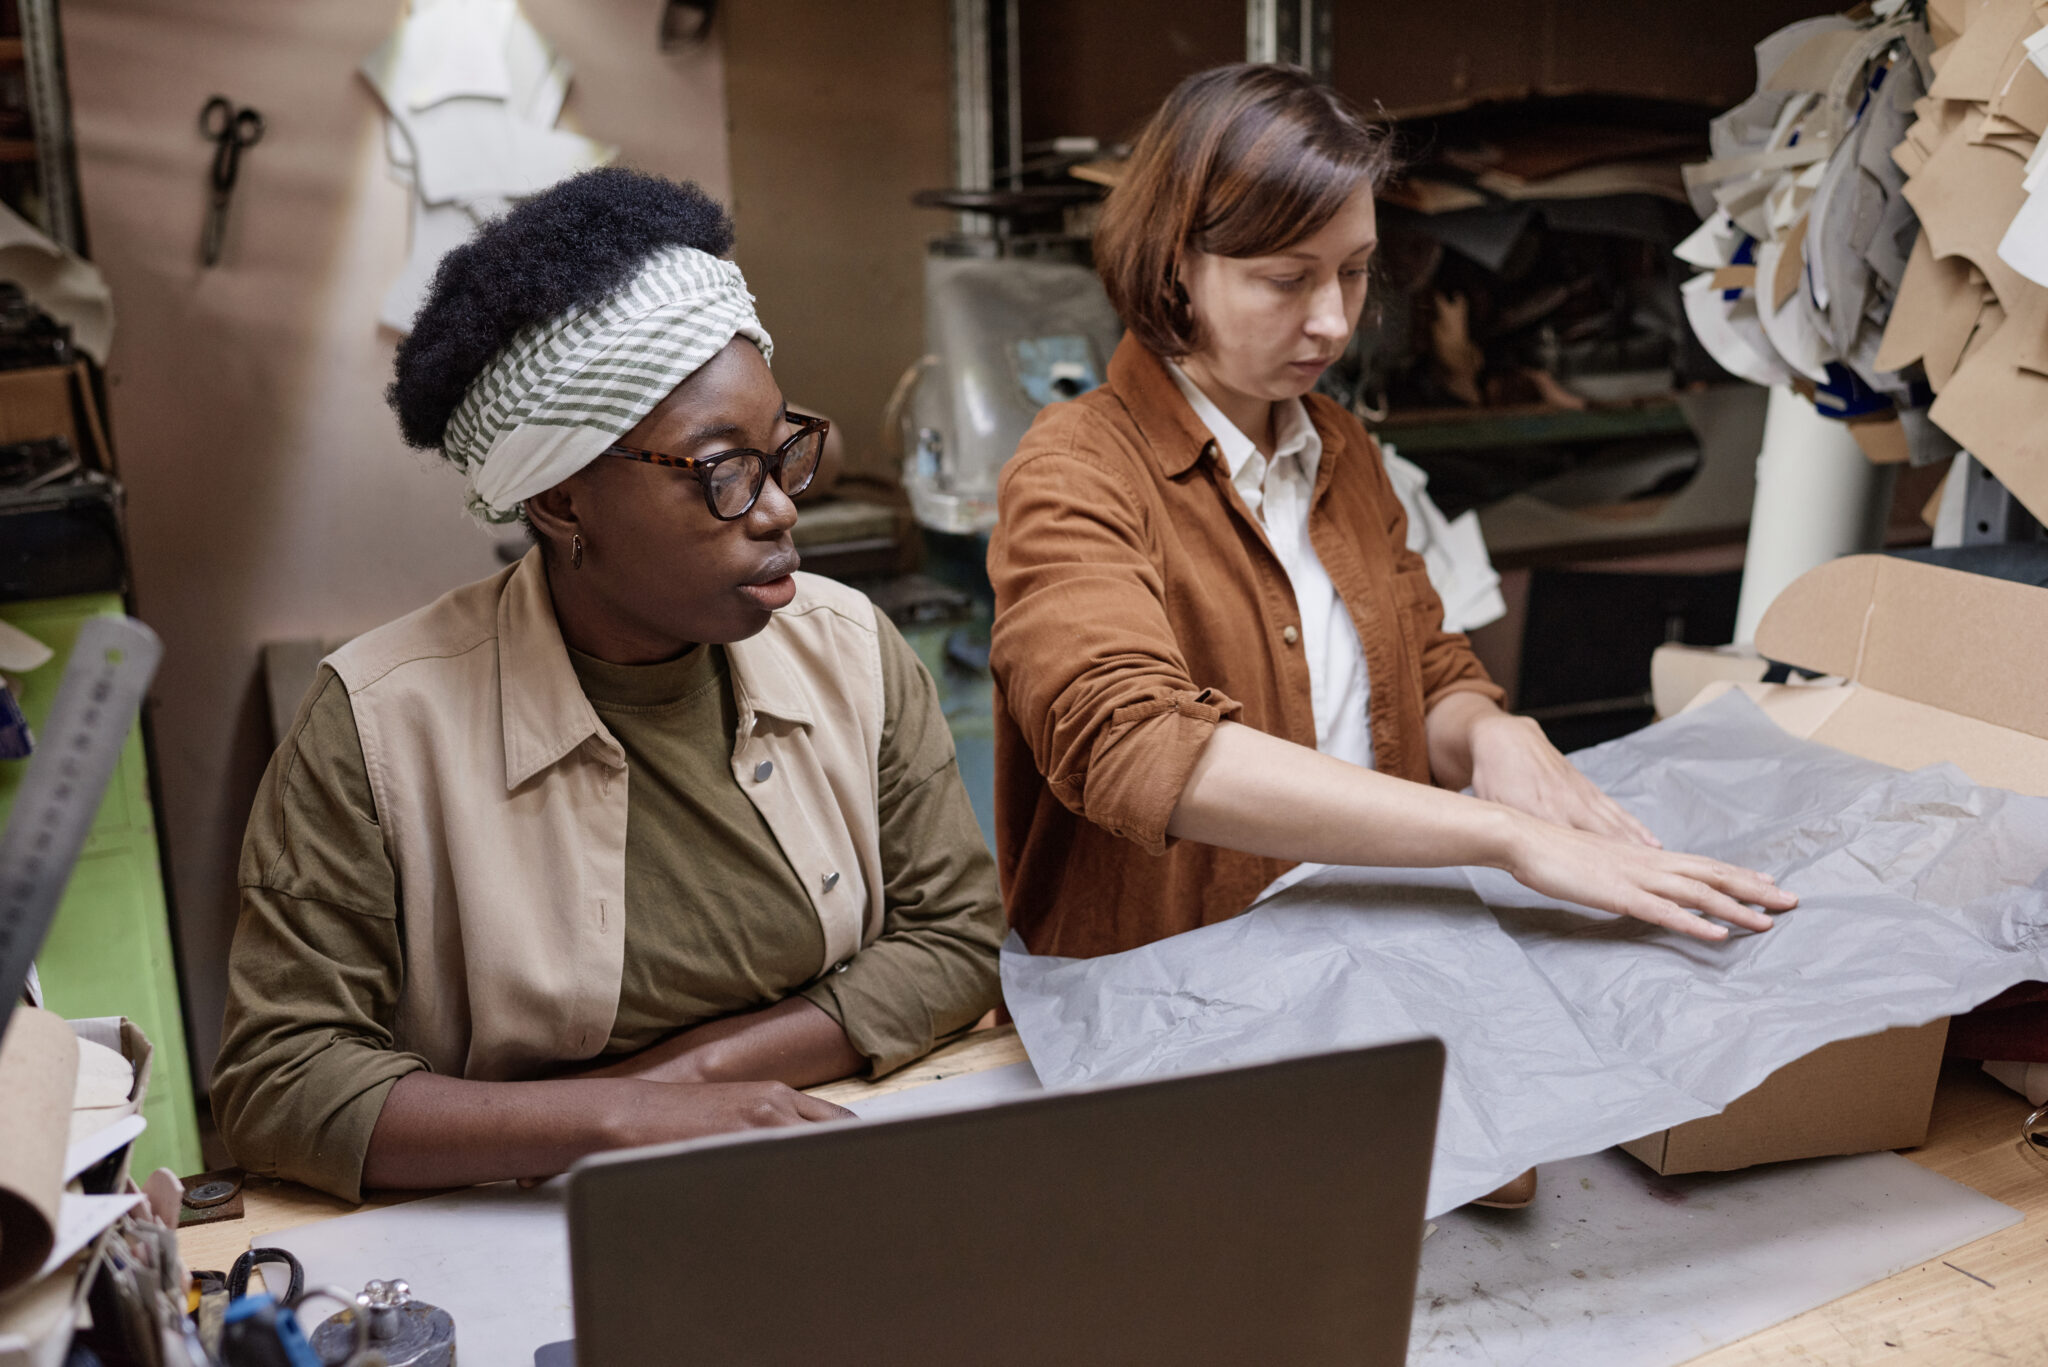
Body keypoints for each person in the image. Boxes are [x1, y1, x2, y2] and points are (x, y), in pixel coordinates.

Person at [212, 169, 1004, 1202]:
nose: (775, 512)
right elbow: (283, 1080)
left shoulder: (847, 648)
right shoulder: (376, 729)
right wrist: (620, 1118)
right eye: (723, 471)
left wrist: (692, 1084)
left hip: (817, 1157)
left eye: (779, 456)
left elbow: (955, 938)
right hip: (524, 1222)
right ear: (558, 496)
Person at [988, 68, 1795, 1041]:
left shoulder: (1339, 448)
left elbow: (1425, 668)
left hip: (1362, 981)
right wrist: (1504, 835)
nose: (1332, 319)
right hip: (1171, 1010)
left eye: (1355, 269)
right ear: (1173, 267)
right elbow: (1131, 748)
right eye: (1286, 278)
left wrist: (1495, 734)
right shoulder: (1075, 467)